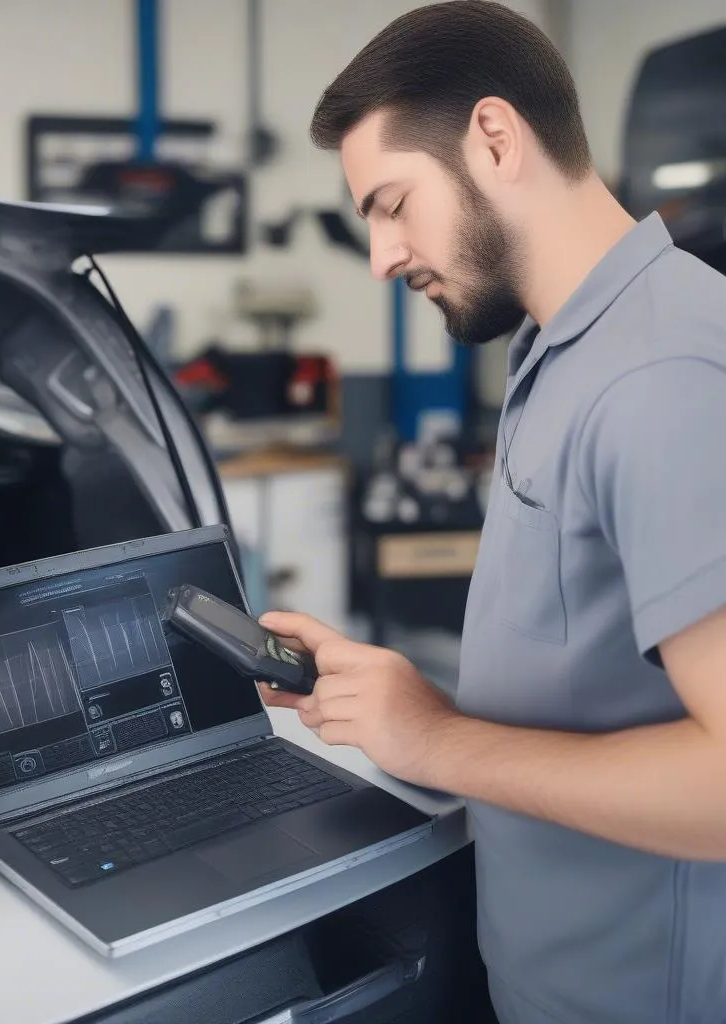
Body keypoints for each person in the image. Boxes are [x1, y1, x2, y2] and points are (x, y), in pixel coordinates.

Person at [258, 3, 726, 1022]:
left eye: (391, 204)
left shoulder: (662, 374)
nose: (382, 257)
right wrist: (407, 697)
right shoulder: (562, 348)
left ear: (495, 139)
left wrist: (435, 739)